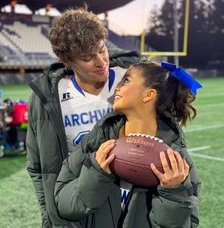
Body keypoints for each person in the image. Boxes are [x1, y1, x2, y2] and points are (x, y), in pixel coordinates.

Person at [26, 8, 145, 228]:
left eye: (102, 50)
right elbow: (37, 167)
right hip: (81, 210)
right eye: (87, 58)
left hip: (135, 208)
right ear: (66, 61)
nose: (101, 61)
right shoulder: (47, 98)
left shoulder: (135, 79)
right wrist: (50, 217)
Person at [54, 61, 202, 228]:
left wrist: (173, 192)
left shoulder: (176, 160)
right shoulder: (98, 140)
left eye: (126, 80)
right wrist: (96, 173)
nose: (116, 87)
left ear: (148, 95)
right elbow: (64, 204)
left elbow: (186, 224)